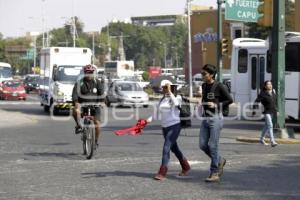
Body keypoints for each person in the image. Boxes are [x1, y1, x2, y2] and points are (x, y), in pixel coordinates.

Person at [199, 64, 233, 183]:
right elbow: (204, 99)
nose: (202, 76)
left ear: (211, 75)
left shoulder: (220, 86)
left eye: (204, 74)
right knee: (202, 145)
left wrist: (216, 105)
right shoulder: (203, 85)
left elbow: (230, 100)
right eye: (201, 73)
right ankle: (220, 160)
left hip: (216, 118)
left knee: (213, 146)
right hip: (205, 118)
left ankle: (215, 172)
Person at [154, 83, 190, 181]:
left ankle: (162, 172)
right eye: (164, 88)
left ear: (173, 88)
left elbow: (177, 104)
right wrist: (145, 121)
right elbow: (156, 114)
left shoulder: (177, 97)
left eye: (167, 87)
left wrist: (170, 92)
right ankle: (186, 167)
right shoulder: (162, 99)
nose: (165, 89)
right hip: (165, 127)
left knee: (166, 147)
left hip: (174, 126)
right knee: (174, 148)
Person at [72, 64, 104, 147]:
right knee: (75, 110)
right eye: (87, 72)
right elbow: (75, 95)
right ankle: (78, 125)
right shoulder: (80, 83)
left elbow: (102, 94)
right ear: (84, 73)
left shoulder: (97, 82)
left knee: (97, 124)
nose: (89, 74)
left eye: (91, 72)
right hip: (83, 106)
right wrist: (76, 102)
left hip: (95, 106)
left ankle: (96, 141)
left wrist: (102, 102)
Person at [253, 80, 278, 147]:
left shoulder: (273, 91)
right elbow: (256, 101)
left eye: (270, 84)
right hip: (266, 111)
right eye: (268, 84)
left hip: (272, 111)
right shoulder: (263, 94)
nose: (270, 85)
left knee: (266, 126)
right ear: (265, 86)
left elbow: (275, 102)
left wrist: (276, 110)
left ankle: (261, 139)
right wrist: (254, 110)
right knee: (270, 125)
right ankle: (272, 141)